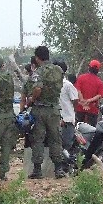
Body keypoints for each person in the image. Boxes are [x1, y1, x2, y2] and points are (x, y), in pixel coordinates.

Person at [27, 45, 66, 179]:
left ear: (37, 58)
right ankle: (59, 169)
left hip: (40, 109)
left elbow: (37, 89)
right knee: (56, 139)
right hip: (54, 108)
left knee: (38, 139)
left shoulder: (39, 72)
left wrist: (32, 98)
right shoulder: (59, 70)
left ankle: (37, 170)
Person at [54, 60, 80, 158]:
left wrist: (72, 113)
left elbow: (75, 100)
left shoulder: (67, 85)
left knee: (66, 145)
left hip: (66, 119)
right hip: (57, 119)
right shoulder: (52, 85)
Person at [75, 60, 103, 125]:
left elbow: (78, 90)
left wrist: (82, 101)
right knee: (91, 131)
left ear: (89, 68)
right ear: (98, 70)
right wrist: (89, 101)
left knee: (78, 130)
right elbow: (99, 95)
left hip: (80, 107)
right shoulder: (99, 82)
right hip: (92, 110)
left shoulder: (81, 77)